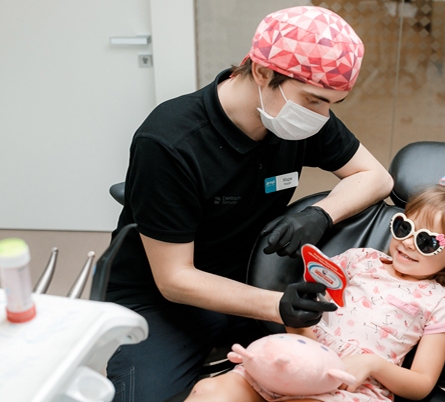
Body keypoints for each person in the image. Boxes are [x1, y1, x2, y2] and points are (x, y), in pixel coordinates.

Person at [105, 6, 394, 402]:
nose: (322, 116)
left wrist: (320, 214)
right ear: (261, 72)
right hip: (163, 300)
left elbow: (376, 177)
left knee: (337, 381)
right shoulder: (170, 142)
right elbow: (175, 279)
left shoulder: (299, 117)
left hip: (254, 277)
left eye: (332, 103)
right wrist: (276, 306)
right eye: (313, 100)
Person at [185, 175, 445, 402]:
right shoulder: (359, 259)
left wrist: (372, 364)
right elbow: (304, 314)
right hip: (298, 356)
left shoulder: (442, 303)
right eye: (403, 227)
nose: (406, 242)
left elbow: (421, 384)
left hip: (351, 386)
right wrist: (295, 322)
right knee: (208, 392)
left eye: (426, 241)